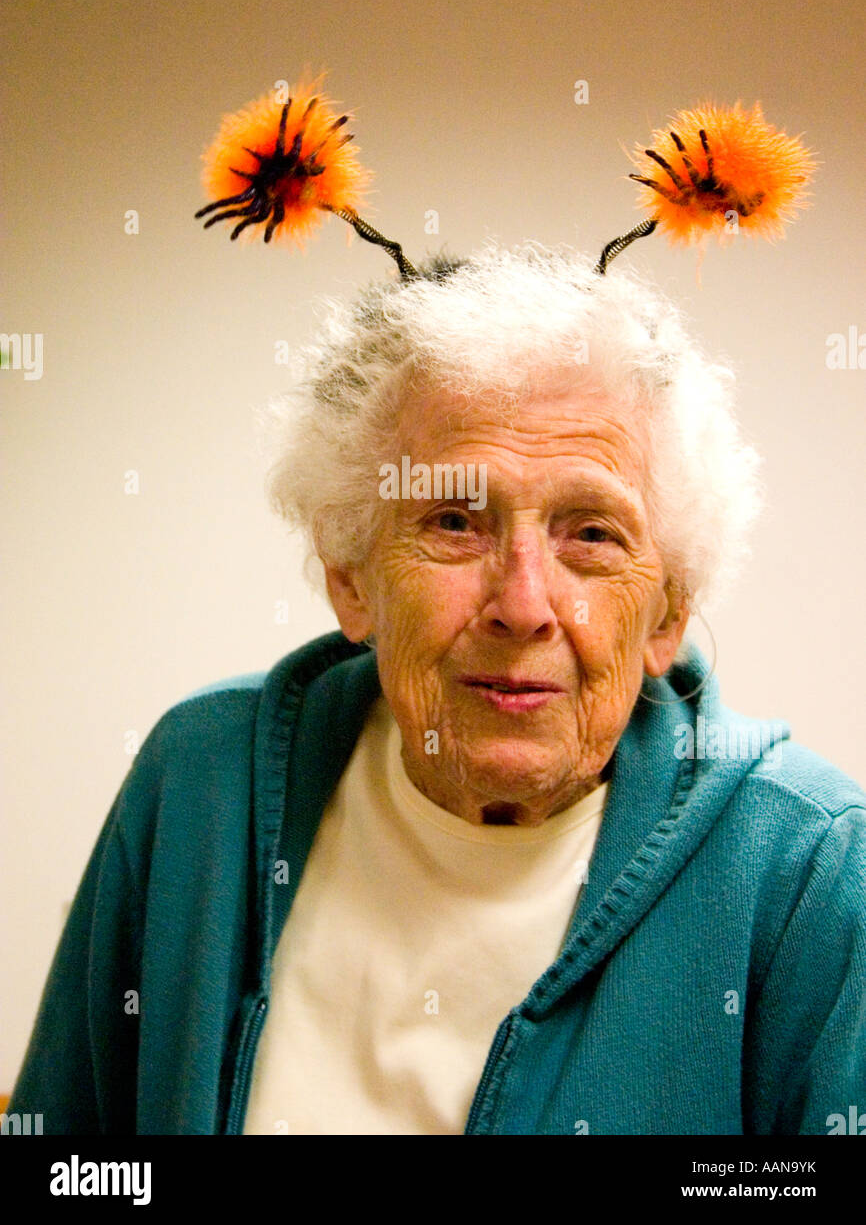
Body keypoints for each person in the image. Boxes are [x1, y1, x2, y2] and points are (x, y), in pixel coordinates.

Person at [10, 242, 866, 1136]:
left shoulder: (811, 871)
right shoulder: (199, 786)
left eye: (592, 535)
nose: (524, 603)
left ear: (667, 614)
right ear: (351, 575)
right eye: (455, 520)